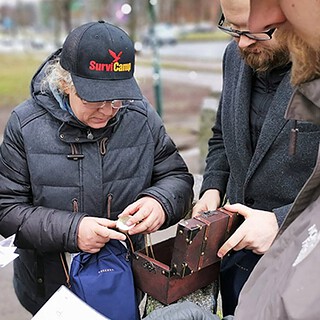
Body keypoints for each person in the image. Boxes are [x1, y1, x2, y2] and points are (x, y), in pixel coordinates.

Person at [0, 21, 194, 316]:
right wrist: (72, 231)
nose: (107, 110)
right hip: (51, 293)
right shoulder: (25, 125)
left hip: (123, 283)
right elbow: (6, 210)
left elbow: (176, 177)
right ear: (66, 83)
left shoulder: (140, 116)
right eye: (94, 98)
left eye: (117, 99)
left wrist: (161, 203)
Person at [192, 0, 320, 316]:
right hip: (236, 255)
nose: (243, 43)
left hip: (302, 266)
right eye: (232, 29)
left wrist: (280, 222)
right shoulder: (233, 58)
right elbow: (223, 135)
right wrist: (212, 187)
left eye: (258, 33)